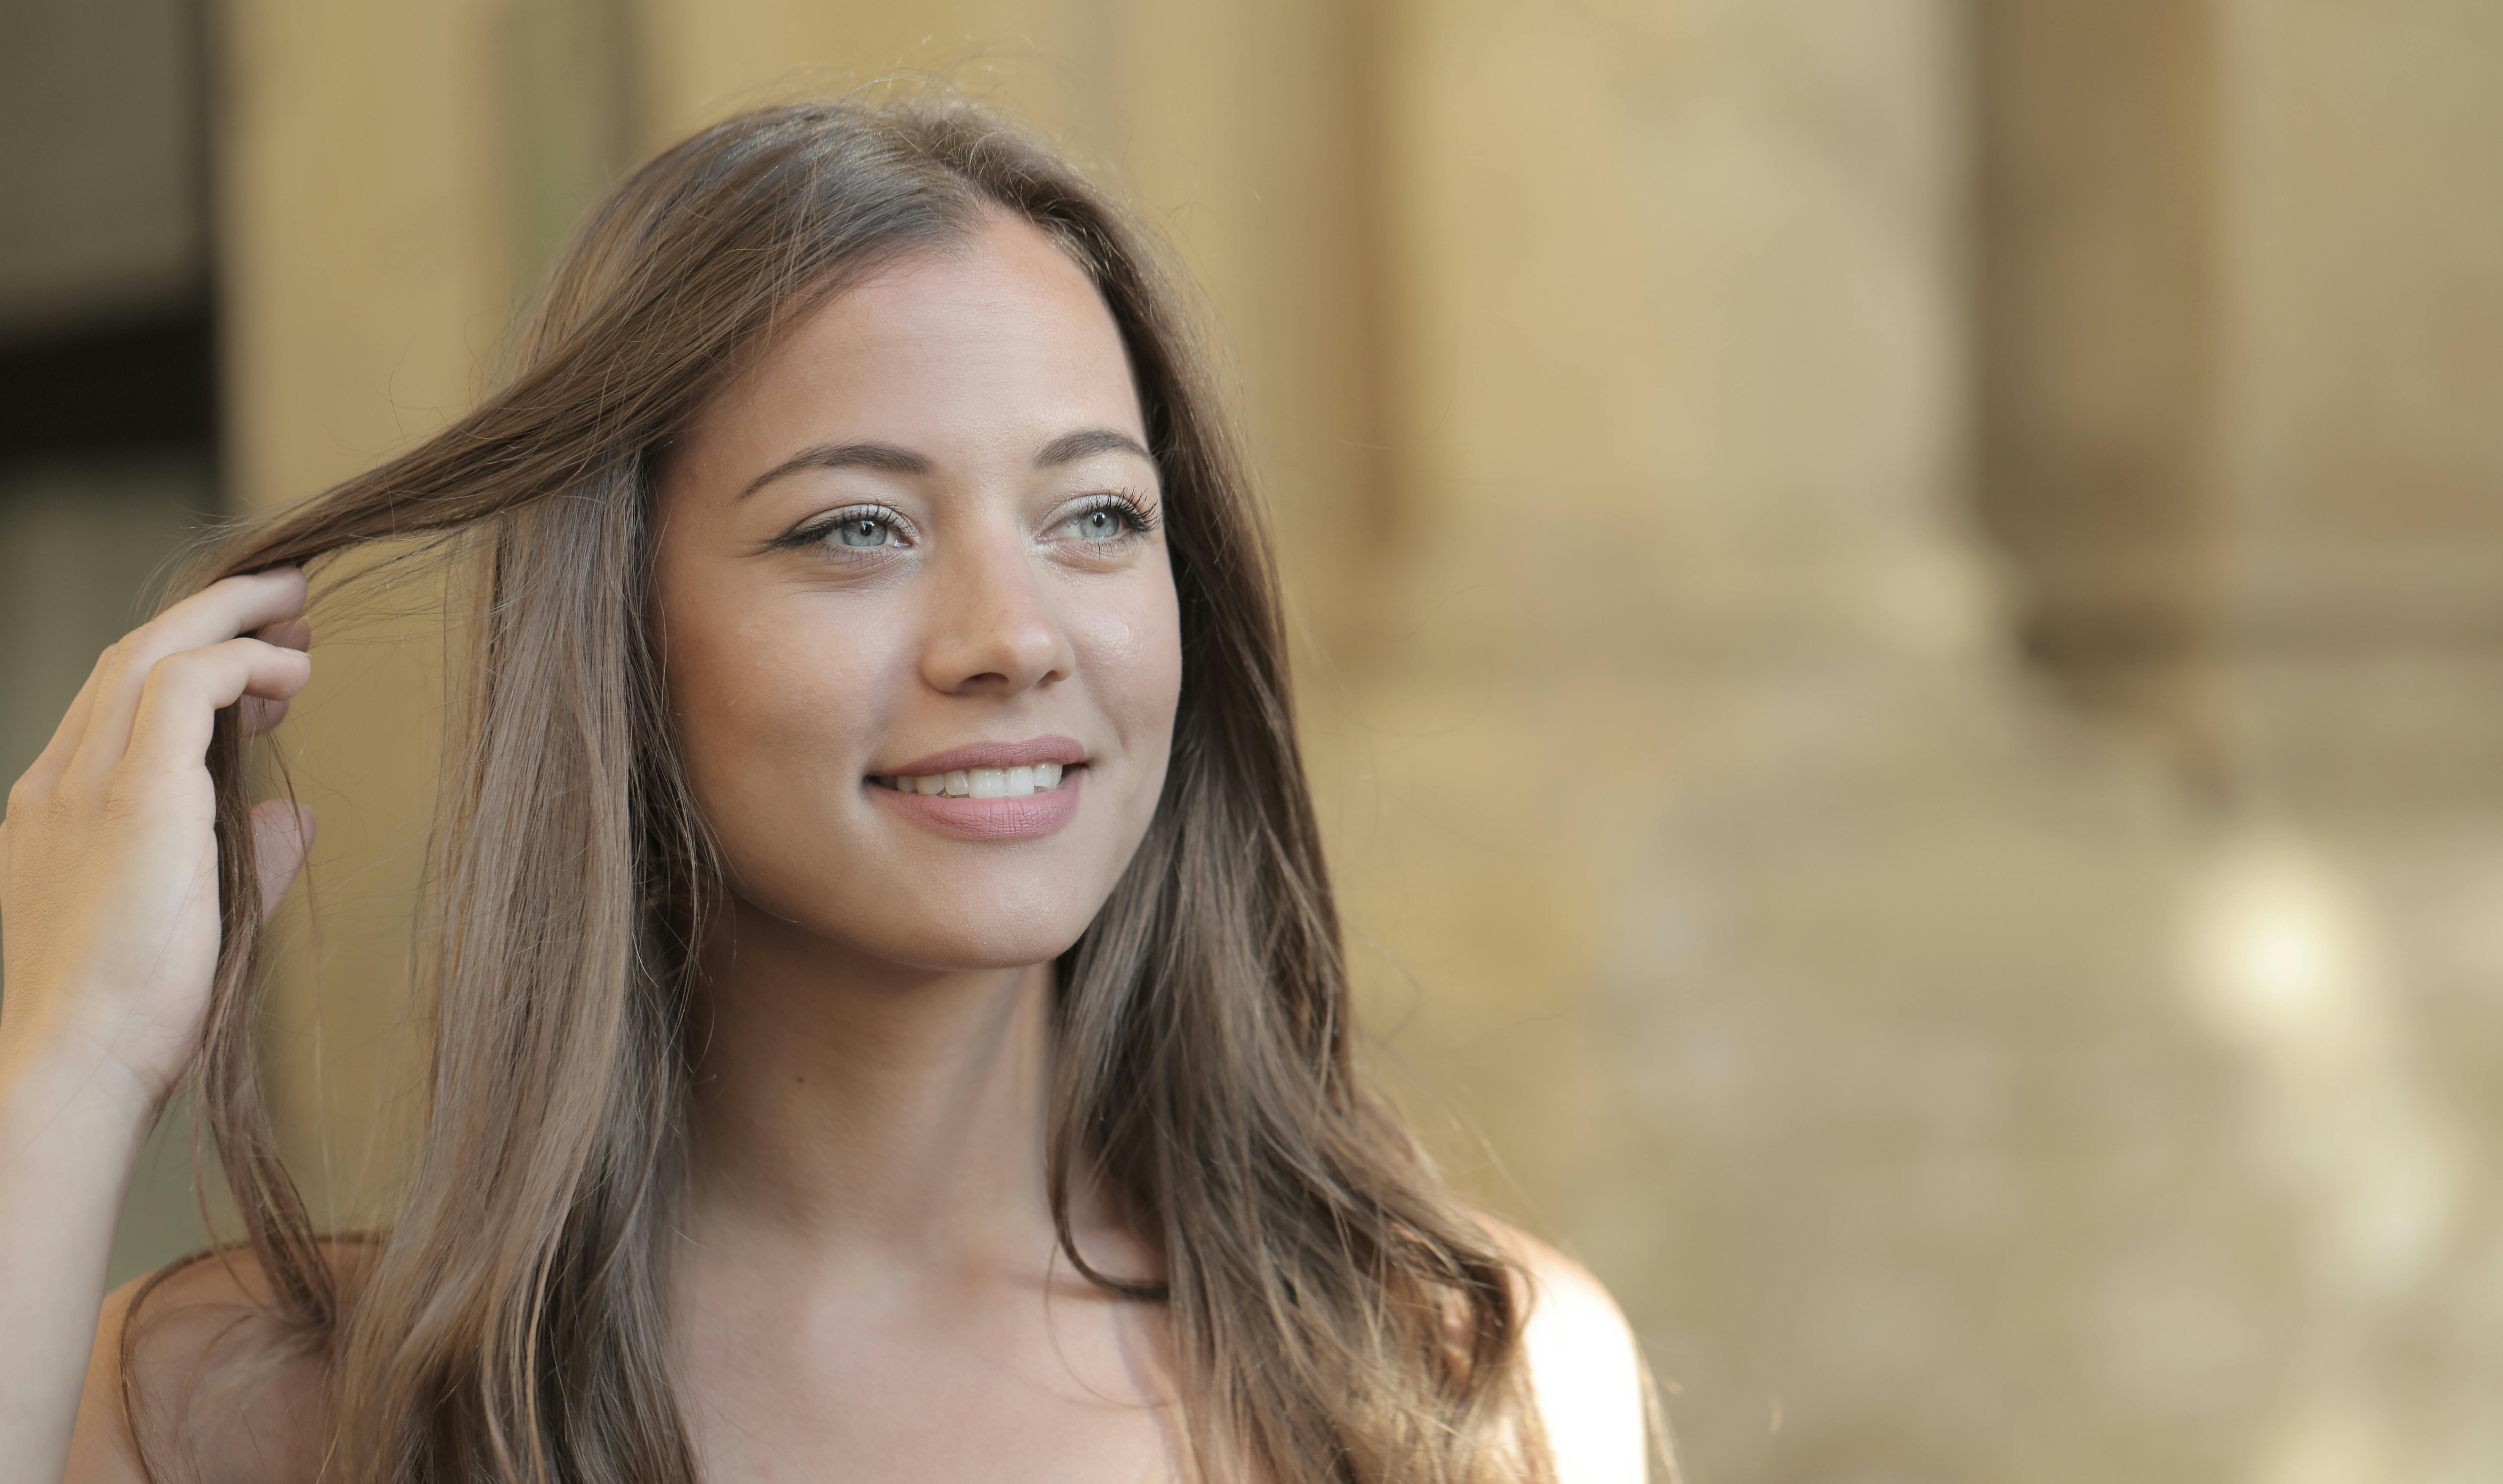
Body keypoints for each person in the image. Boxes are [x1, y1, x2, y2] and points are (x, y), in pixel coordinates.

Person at [0, 96, 1650, 1483]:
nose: (1012, 639)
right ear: (624, 641)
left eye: (1096, 517)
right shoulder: (250, 1409)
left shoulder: (1465, 1387)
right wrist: (67, 1057)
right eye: (856, 527)